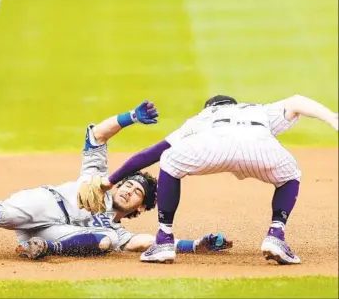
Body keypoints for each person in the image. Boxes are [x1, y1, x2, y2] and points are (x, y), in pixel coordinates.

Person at [0, 100, 232, 259]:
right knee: (5, 212)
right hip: (46, 203)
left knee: (104, 242)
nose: (129, 189)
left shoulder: (116, 229)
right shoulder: (96, 180)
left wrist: (195, 246)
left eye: (136, 194)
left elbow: (146, 242)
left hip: (56, 233)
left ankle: (39, 248)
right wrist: (130, 118)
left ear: (139, 209)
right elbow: (97, 136)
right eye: (129, 184)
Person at [102, 94, 338, 265]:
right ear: (234, 105)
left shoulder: (202, 118)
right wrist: (331, 117)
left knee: (169, 161)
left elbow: (149, 154)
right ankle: (276, 235)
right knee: (290, 176)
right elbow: (297, 101)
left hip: (211, 147)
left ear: (210, 107)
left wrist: (110, 181)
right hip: (258, 145)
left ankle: (164, 240)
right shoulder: (258, 110)